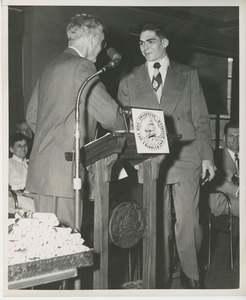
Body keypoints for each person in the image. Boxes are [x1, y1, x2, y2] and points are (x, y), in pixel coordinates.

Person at [117, 22, 216, 289]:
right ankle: (158, 278)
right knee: (157, 225)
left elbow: (202, 120)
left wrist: (207, 156)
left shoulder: (188, 74)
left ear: (164, 43)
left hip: (186, 155)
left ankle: (191, 276)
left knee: (189, 223)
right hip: (150, 161)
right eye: (141, 43)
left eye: (150, 41)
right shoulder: (129, 78)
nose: (144, 47)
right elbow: (122, 124)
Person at [25, 13, 124, 229]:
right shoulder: (82, 66)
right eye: (101, 43)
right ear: (91, 39)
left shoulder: (50, 67)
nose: (101, 50)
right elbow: (109, 115)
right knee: (66, 254)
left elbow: (32, 118)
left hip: (42, 173)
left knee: (46, 251)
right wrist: (129, 129)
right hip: (65, 174)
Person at [208, 122, 239, 217]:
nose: (235, 140)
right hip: (221, 199)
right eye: (231, 136)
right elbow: (217, 182)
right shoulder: (215, 157)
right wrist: (239, 190)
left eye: (239, 136)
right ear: (224, 137)